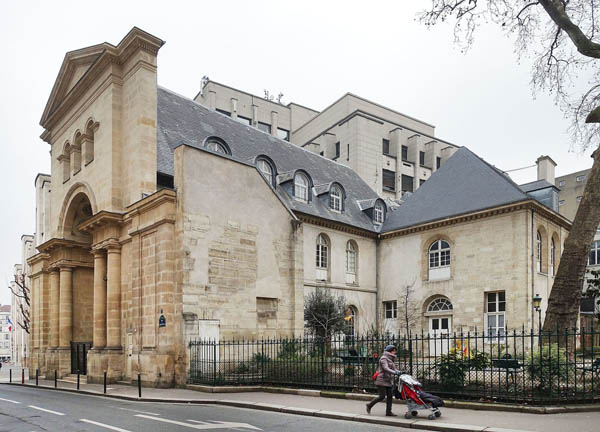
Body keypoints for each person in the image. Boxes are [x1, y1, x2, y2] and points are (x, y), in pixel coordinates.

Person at [366, 345, 402, 416]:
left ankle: (388, 412)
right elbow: (386, 368)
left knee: (390, 396)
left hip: (388, 380)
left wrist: (399, 371)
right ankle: (369, 405)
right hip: (381, 380)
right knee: (382, 396)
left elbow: (394, 369)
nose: (395, 352)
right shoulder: (383, 358)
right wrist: (395, 372)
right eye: (393, 351)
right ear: (390, 351)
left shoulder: (391, 359)